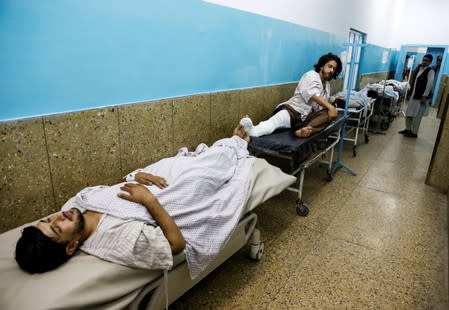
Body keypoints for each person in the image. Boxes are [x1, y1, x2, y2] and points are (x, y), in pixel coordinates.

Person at [15, 125, 253, 279]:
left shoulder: (70, 208)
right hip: (170, 194)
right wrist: (149, 201)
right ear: (71, 246)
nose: (59, 217)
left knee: (177, 162)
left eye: (48, 219)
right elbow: (176, 244)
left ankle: (230, 144)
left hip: (151, 178)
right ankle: (237, 144)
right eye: (57, 228)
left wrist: (134, 176)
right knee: (204, 173)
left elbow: (108, 191)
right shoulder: (116, 239)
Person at [240, 52, 342, 138]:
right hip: (293, 110)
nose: (332, 70)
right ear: (322, 66)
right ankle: (253, 130)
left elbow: (322, 103)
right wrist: (330, 107)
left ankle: (304, 130)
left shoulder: (327, 85)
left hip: (307, 118)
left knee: (329, 115)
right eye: (330, 66)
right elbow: (313, 94)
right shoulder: (310, 76)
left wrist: (331, 106)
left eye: (334, 69)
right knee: (273, 123)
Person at [399, 54, 435, 138]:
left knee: (417, 116)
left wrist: (425, 95)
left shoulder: (430, 71)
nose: (424, 62)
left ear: (430, 62)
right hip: (414, 95)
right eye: (424, 60)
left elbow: (430, 84)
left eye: (426, 61)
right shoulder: (419, 68)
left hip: (421, 97)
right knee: (409, 113)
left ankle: (414, 133)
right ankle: (408, 129)